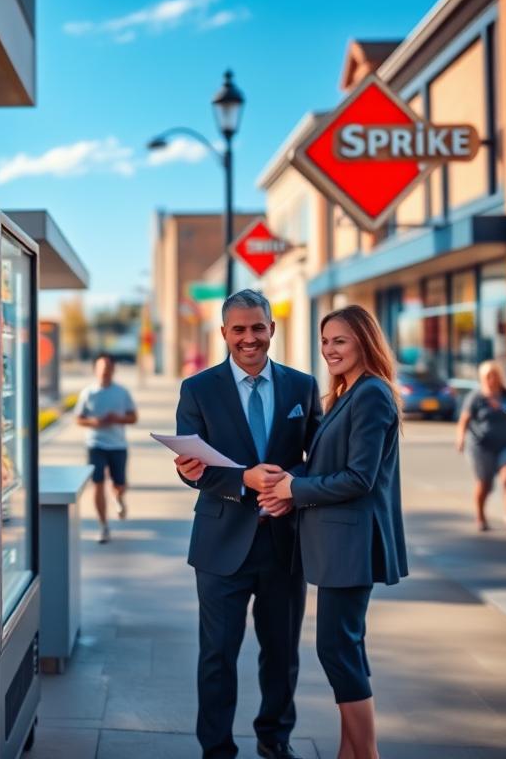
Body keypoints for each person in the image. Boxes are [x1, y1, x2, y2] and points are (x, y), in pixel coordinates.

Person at [174, 289, 322, 759]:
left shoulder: (302, 387)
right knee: (217, 655)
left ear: (271, 329)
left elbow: (319, 457)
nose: (249, 338)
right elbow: (193, 465)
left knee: (281, 654)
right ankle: (216, 748)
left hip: (284, 541)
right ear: (224, 334)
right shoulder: (198, 389)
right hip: (221, 545)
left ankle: (274, 739)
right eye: (238, 329)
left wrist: (291, 487)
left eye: (258, 328)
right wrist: (239, 478)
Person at [258, 305, 408, 759]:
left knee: (337, 650)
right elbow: (328, 465)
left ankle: (365, 752)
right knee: (346, 648)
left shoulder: (372, 395)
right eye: (325, 342)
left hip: (353, 545)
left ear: (364, 340)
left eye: (339, 340)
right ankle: (350, 750)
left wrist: (294, 488)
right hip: (339, 545)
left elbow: (358, 477)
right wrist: (286, 484)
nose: (329, 350)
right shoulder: (345, 393)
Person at [75, 353, 138, 543]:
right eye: (101, 369)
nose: (105, 372)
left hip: (118, 445)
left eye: (108, 369)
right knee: (98, 484)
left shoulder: (122, 392)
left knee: (119, 484)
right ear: (95, 370)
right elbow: (78, 418)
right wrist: (94, 422)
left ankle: (118, 497)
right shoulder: (88, 393)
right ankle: (103, 526)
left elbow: (133, 417)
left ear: (113, 370)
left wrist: (117, 419)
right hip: (96, 444)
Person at [455, 360, 506, 531]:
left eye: (494, 375)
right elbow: (464, 420)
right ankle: (480, 515)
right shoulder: (476, 397)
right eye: (488, 376)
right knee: (484, 483)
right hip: (481, 446)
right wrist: (460, 438)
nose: (491, 379)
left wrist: (501, 407)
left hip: (505, 444)